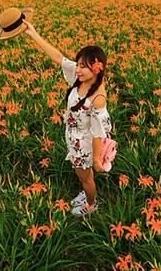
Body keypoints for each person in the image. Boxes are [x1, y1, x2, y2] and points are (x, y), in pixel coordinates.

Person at [23, 20, 113, 217]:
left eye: (84, 67)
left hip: (85, 144)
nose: (78, 69)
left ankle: (91, 203)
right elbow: (58, 57)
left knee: (86, 178)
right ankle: (88, 193)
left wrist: (97, 160)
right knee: (83, 175)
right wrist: (33, 34)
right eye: (79, 64)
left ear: (97, 69)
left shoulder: (97, 97)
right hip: (74, 138)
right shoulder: (80, 77)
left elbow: (98, 133)